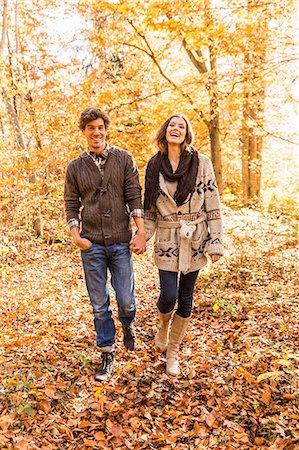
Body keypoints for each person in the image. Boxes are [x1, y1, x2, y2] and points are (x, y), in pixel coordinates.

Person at [64, 107, 146, 381]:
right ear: (84, 132)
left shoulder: (123, 158)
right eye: (90, 128)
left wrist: (141, 232)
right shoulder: (75, 167)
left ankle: (128, 324)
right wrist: (77, 236)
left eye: (100, 127)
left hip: (121, 241)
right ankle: (107, 350)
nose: (96, 132)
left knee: (125, 299)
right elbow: (71, 204)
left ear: (106, 129)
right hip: (92, 245)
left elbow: (135, 195)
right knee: (99, 304)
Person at [143, 113, 223, 377]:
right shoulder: (154, 165)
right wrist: (142, 235)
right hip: (167, 239)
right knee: (168, 296)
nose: (175, 129)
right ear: (164, 131)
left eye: (181, 126)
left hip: (196, 239)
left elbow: (212, 204)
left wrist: (215, 241)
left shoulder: (202, 163)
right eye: (171, 125)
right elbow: (150, 210)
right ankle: (163, 325)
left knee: (186, 299)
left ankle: (173, 352)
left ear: (187, 134)